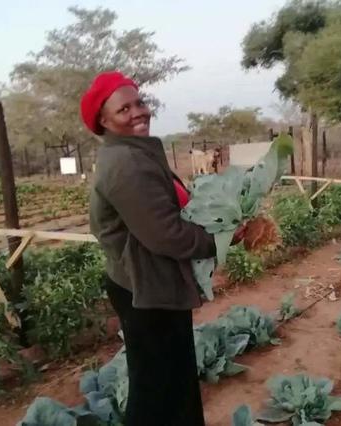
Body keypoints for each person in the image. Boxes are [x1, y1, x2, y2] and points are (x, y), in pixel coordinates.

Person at [81, 71, 245, 426]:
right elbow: (166, 235)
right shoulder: (127, 163)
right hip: (145, 288)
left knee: (172, 379)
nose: (138, 112)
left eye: (139, 102)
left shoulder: (135, 152)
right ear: (104, 121)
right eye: (124, 109)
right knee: (158, 388)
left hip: (152, 282)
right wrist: (221, 238)